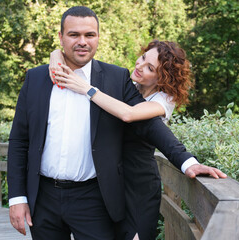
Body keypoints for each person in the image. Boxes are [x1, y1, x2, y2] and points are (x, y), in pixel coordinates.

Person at [7, 6, 226, 240]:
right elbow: (20, 140)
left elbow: (149, 125)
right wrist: (17, 198)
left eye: (89, 35)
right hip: (43, 198)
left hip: (93, 199)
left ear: (98, 38)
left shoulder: (115, 79)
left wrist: (187, 162)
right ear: (61, 37)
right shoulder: (36, 77)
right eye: (74, 35)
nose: (82, 41)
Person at [50, 40, 204, 239]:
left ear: (162, 77)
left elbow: (129, 114)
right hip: (109, 184)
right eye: (142, 58)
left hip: (139, 187)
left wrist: (87, 89)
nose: (139, 66)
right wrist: (56, 54)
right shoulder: (127, 87)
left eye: (150, 68)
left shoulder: (164, 100)